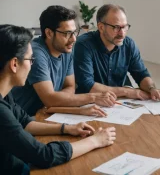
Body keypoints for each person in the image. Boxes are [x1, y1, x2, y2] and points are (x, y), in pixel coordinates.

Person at [0, 24, 116, 174]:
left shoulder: (4, 93)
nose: (31, 65)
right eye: (30, 60)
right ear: (14, 64)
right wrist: (95, 141)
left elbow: (24, 122)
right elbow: (43, 156)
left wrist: (66, 128)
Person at [11, 6, 115, 117]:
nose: (74, 39)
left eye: (74, 32)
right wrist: (94, 97)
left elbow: (70, 87)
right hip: (23, 118)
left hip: (48, 113)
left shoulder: (66, 49)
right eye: (67, 33)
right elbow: (50, 99)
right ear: (49, 33)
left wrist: (55, 100)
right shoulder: (36, 53)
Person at [74, 4, 160, 102]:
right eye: (116, 27)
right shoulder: (83, 45)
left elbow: (141, 74)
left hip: (119, 102)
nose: (122, 33)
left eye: (125, 27)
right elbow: (87, 85)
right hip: (91, 102)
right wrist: (128, 92)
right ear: (101, 27)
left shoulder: (128, 44)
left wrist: (152, 89)